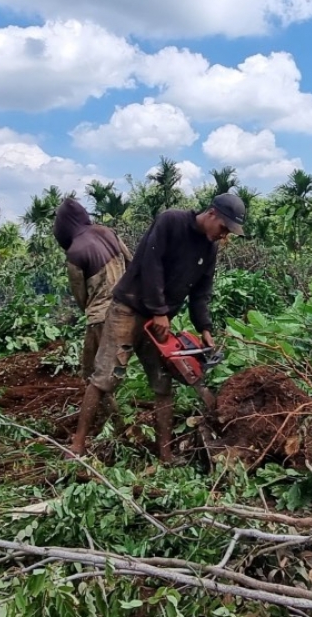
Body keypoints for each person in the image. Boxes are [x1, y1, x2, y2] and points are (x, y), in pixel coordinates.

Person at [70, 193, 245, 460]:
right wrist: (160, 310)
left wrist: (205, 329)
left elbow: (201, 292)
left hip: (158, 324)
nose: (223, 235)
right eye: (223, 228)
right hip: (128, 310)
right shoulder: (170, 222)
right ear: (211, 213)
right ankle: (76, 447)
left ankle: (166, 454)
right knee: (105, 377)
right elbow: (151, 266)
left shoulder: (208, 249)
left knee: (163, 384)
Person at [52, 197, 133, 381]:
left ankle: (109, 411)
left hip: (100, 316)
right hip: (127, 308)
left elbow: (80, 295)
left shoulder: (75, 252)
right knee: (118, 366)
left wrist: (89, 311)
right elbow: (131, 263)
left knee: (92, 373)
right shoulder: (108, 232)